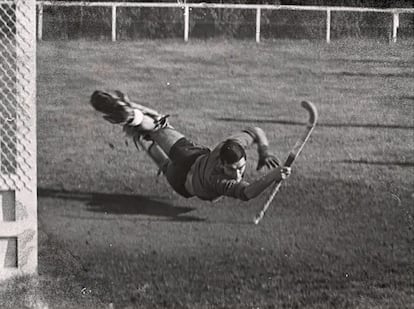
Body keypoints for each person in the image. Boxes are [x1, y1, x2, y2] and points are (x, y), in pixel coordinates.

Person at [90, 90, 291, 201]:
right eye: (232, 169)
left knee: (158, 126)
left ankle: (134, 118)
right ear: (221, 163)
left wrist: (264, 151)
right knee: (161, 158)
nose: (238, 175)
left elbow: (255, 131)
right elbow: (247, 193)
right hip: (183, 181)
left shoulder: (231, 144)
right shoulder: (217, 180)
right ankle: (134, 123)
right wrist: (272, 176)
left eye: (241, 168)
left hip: (190, 155)